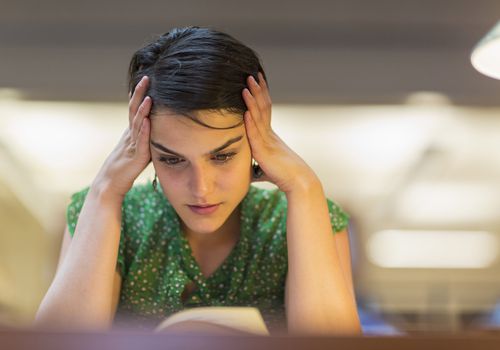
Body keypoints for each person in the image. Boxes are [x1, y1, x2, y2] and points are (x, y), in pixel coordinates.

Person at [34, 26, 361, 335]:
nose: (201, 188)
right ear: (146, 150)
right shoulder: (112, 215)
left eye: (222, 156)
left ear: (256, 139)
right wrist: (105, 190)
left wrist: (304, 186)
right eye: (172, 160)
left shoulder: (305, 216)